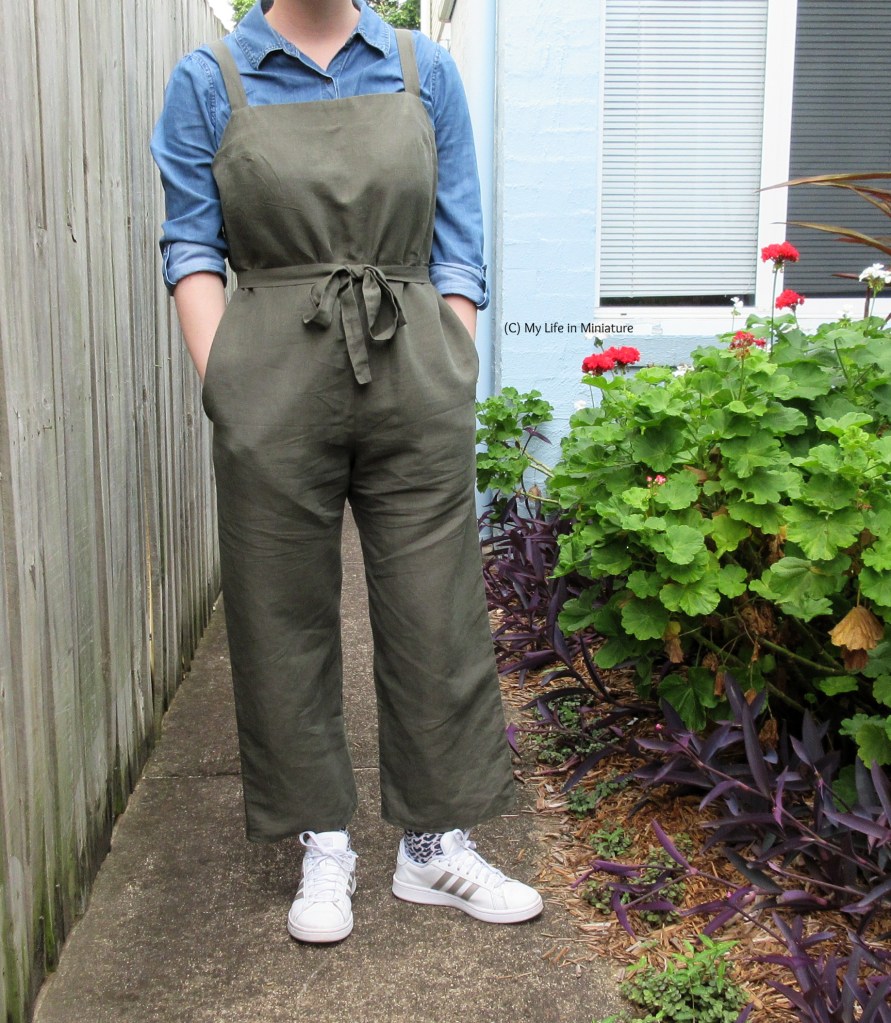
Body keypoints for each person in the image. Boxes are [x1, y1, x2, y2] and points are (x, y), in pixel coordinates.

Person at [150, 0, 543, 944]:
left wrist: (452, 364)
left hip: (414, 366)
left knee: (434, 608)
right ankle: (322, 841)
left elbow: (459, 240)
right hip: (272, 376)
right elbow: (192, 246)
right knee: (279, 611)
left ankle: (433, 846)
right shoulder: (213, 79)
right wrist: (231, 385)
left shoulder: (421, 69)